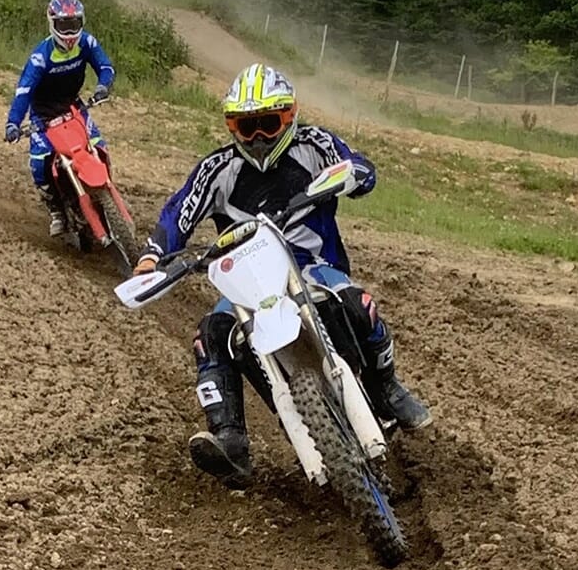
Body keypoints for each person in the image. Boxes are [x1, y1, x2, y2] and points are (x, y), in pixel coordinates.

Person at [133, 63, 432, 487]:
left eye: (267, 124)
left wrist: (356, 175)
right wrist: (153, 256)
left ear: (288, 118)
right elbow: (178, 212)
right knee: (210, 335)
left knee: (359, 305)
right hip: (248, 284)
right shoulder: (216, 169)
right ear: (232, 125)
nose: (257, 137)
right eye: (246, 126)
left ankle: (387, 387)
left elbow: (356, 166)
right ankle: (231, 439)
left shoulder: (314, 144)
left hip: (313, 268)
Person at [3, 0, 116, 237]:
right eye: (64, 26)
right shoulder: (40, 57)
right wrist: (13, 123)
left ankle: (103, 195)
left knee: (99, 147)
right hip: (42, 116)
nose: (70, 32)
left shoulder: (87, 43)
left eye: (74, 24)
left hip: (73, 107)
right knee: (39, 163)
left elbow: (106, 66)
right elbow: (24, 91)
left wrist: (102, 86)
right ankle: (56, 209)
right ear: (52, 24)